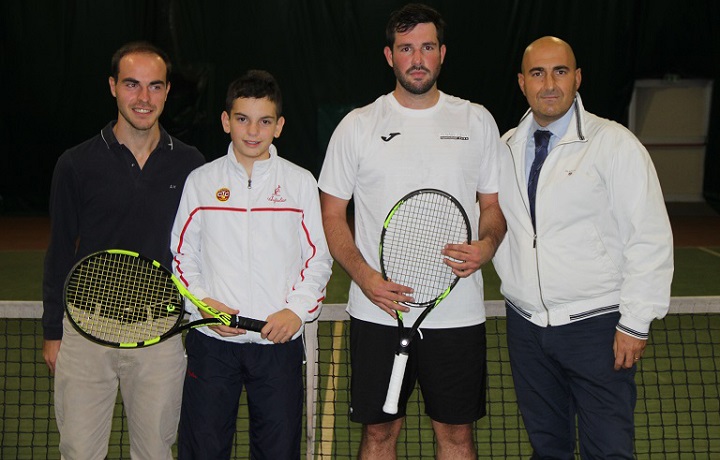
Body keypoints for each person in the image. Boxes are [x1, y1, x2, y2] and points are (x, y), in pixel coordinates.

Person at [318, 4, 505, 459]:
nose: (417, 58)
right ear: (389, 56)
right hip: (378, 312)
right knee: (379, 436)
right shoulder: (358, 126)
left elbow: (494, 208)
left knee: (457, 437)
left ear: (442, 53)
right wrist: (364, 278)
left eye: (426, 47)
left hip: (456, 313)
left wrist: (487, 244)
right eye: (406, 48)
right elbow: (331, 214)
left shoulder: (476, 120)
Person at [492, 36, 674, 459]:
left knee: (608, 451)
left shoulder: (614, 144)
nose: (549, 83)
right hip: (526, 329)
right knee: (547, 449)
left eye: (560, 71)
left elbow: (649, 236)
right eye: (538, 73)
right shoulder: (504, 147)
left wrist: (635, 322)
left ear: (577, 78)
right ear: (522, 82)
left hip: (597, 328)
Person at [41, 41, 205, 459]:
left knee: (154, 452)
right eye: (132, 85)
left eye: (154, 86)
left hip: (159, 335)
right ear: (113, 86)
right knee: (79, 452)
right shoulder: (75, 164)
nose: (143, 98)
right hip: (85, 332)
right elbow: (60, 249)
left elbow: (200, 249)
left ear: (167, 92)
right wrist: (52, 332)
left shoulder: (191, 165)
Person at [171, 69, 332, 459]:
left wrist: (296, 312)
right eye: (242, 119)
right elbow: (181, 258)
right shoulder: (201, 181)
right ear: (227, 121)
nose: (252, 131)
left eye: (264, 121)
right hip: (213, 345)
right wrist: (205, 307)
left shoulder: (300, 183)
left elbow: (319, 259)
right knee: (203, 451)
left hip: (277, 347)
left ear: (279, 126)